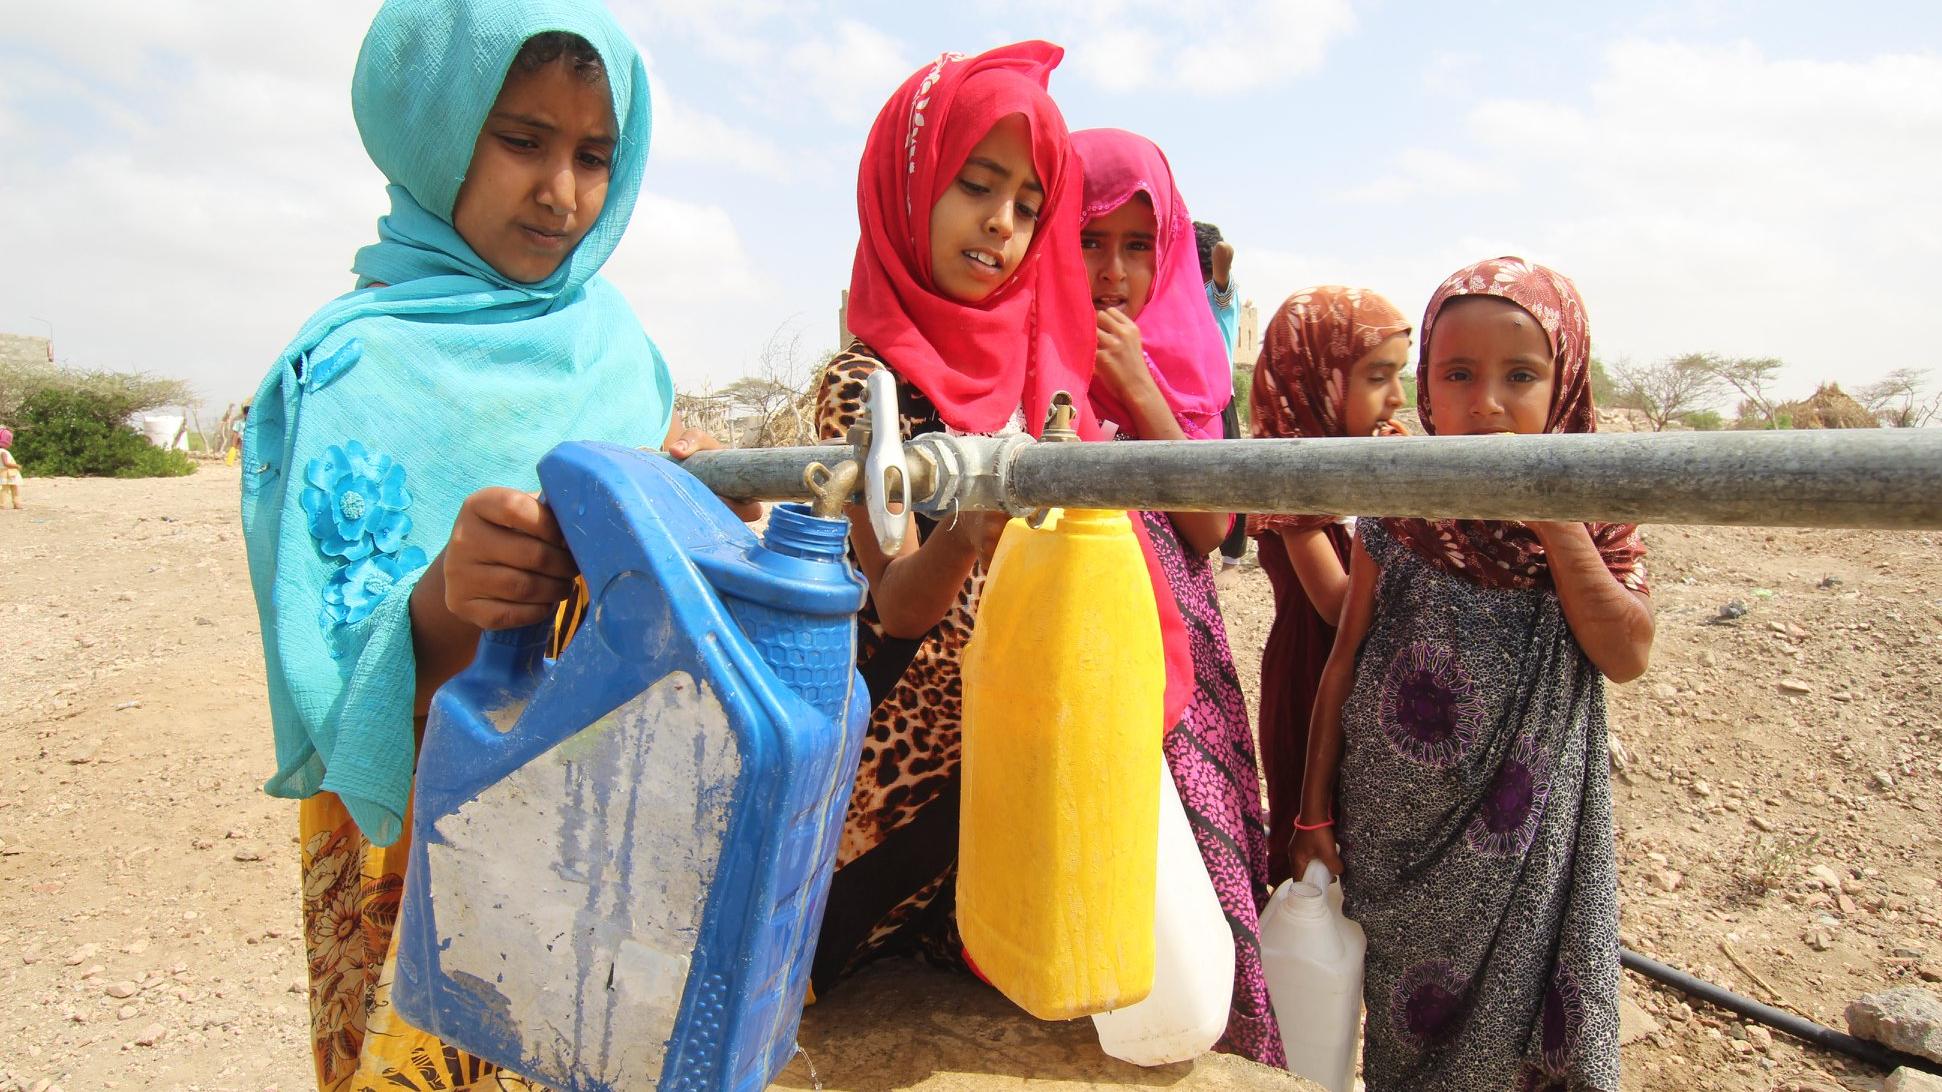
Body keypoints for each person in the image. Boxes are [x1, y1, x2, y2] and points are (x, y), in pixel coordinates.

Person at [240, 3, 743, 1087]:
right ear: (431, 127)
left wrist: (690, 504)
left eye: (594, 155)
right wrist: (445, 602)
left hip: (602, 802)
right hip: (426, 832)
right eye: (521, 139)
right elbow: (335, 667)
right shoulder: (355, 369)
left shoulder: (620, 349)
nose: (561, 191)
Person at [809, 44, 1192, 999]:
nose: (1002, 225)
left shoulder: (1036, 372)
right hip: (896, 773)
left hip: (1010, 748)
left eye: (1029, 205)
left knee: (1004, 970)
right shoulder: (868, 387)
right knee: (853, 987)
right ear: (908, 187)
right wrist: (973, 523)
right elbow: (897, 603)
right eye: (976, 185)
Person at [1292, 257, 1653, 1091]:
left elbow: (1628, 653)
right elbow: (1345, 655)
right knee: (1407, 1029)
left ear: (1563, 387)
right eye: (1458, 375)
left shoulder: (1598, 504)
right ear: (1428, 387)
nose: (1486, 405)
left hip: (1532, 834)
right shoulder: (1403, 501)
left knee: (1526, 1028)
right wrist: (1313, 809)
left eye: (1519, 376)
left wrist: (1557, 523)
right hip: (1398, 830)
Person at [1074, 128, 1281, 1066]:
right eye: (1088, 240)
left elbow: (1214, 527)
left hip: (1179, 662)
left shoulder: (1185, 349)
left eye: (1138, 245)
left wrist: (1138, 396)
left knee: (1191, 885)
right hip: (1075, 649)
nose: (1113, 271)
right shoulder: (1024, 343)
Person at [1246, 286, 1411, 885]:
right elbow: (1340, 606)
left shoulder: (1361, 463)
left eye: (1401, 375)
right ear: (1317, 378)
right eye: (1377, 376)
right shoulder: (1293, 478)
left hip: (1366, 683)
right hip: (1312, 680)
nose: (1397, 397)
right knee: (1314, 850)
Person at [1193, 221, 1249, 574]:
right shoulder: (1175, 293)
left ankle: (1231, 559)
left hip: (1220, 400)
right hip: (1190, 403)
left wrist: (1219, 262)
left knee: (1234, 476)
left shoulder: (1217, 295)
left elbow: (1223, 269)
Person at [0, 427, 22, 509]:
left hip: (4, 473)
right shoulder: (4, 452)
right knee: (13, 489)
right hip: (9, 473)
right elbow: (6, 463)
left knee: (5, 489)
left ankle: (10, 504)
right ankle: (15, 504)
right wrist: (16, 466)